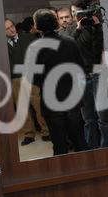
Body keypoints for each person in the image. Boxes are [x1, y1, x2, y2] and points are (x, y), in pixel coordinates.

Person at [31, 9, 89, 156]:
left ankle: (64, 176)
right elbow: (81, 69)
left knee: (59, 144)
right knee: (79, 141)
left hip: (51, 101)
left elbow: (35, 79)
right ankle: (88, 172)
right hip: (72, 98)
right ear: (56, 23)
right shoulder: (70, 42)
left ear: (37, 26)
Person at [71, 0, 108, 149]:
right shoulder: (72, 30)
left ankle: (107, 149)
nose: (75, 15)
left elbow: (97, 51)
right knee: (88, 118)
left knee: (103, 118)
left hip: (97, 74)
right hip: (80, 77)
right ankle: (91, 151)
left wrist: (97, 28)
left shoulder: (95, 27)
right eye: (74, 13)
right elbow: (69, 47)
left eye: (76, 12)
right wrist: (77, 28)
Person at [4, 18, 50, 145]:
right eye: (7, 29)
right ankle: (29, 134)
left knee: (38, 105)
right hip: (14, 80)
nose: (11, 29)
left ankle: (46, 131)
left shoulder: (28, 38)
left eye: (12, 26)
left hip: (31, 77)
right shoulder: (2, 45)